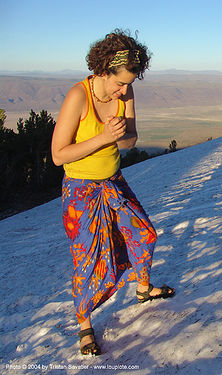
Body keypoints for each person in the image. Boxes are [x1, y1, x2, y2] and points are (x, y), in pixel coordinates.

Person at [51, 29, 175, 356]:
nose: (124, 91)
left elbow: (131, 138)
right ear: (104, 69)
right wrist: (104, 137)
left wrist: (120, 136)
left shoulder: (126, 92)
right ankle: (84, 325)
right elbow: (58, 154)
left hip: (113, 182)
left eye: (130, 84)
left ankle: (143, 289)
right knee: (88, 261)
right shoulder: (78, 96)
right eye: (120, 83)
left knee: (144, 234)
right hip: (80, 191)